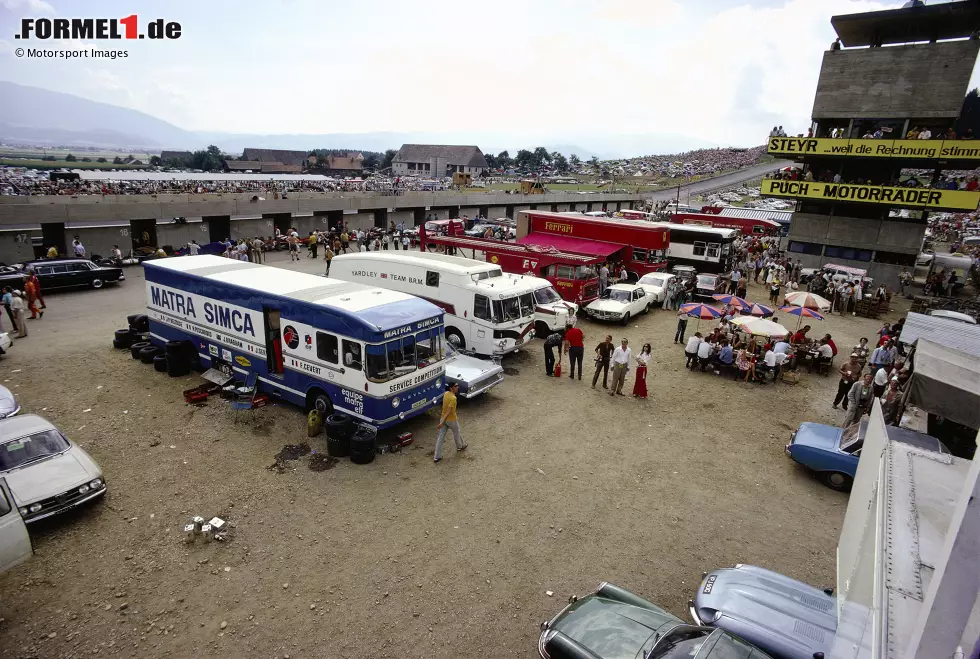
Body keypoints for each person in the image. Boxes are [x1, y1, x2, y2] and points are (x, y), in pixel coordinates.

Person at [433, 382, 466, 463]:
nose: (457, 387)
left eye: (457, 385)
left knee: (441, 437)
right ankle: (460, 446)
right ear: (451, 388)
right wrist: (442, 422)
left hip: (443, 418)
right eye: (455, 386)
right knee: (456, 432)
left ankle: (437, 456)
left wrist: (442, 421)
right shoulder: (453, 398)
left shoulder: (446, 394)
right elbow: (448, 411)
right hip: (451, 419)